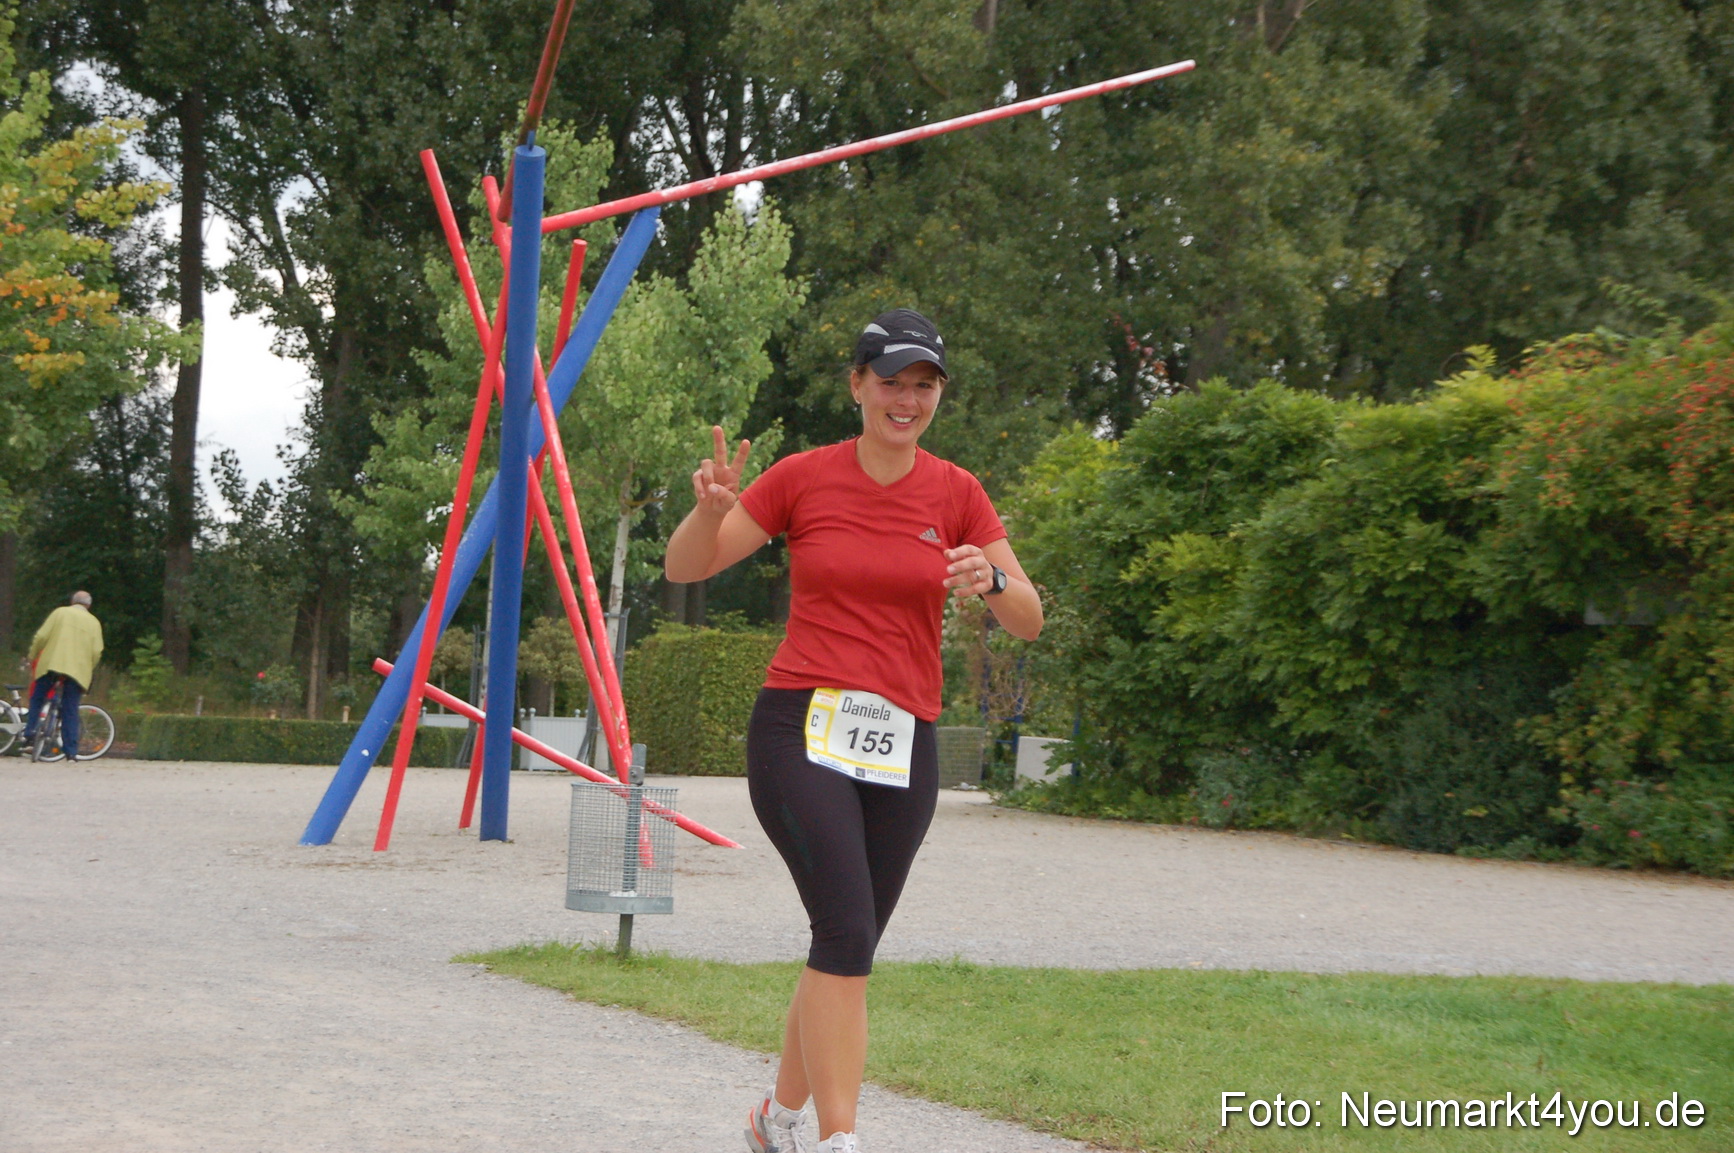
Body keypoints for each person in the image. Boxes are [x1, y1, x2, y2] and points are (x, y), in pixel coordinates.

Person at [665, 309, 1042, 1153]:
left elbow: (1029, 617)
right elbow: (689, 565)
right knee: (844, 930)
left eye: (924, 385)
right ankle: (841, 1139)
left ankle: (776, 1121)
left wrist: (988, 578)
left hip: (903, 737)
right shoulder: (804, 477)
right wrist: (710, 511)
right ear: (857, 385)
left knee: (848, 935)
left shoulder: (957, 492)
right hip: (800, 725)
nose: (906, 399)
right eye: (891, 381)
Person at [21, 591, 105, 759]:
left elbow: (41, 636)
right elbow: (97, 651)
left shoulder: (60, 613)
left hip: (53, 664)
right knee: (70, 708)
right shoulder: (94, 622)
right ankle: (71, 750)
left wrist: (32, 656)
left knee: (38, 697)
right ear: (88, 605)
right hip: (77, 671)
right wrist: (89, 667)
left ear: (72, 601)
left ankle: (30, 732)